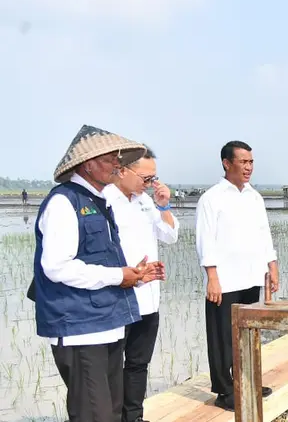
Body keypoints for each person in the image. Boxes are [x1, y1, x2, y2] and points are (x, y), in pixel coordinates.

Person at [31, 125, 164, 421]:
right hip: (80, 329)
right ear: (88, 164)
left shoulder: (98, 202)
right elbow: (56, 267)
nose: (117, 164)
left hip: (108, 324)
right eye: (110, 159)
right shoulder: (64, 202)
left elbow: (98, 260)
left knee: (112, 411)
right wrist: (119, 276)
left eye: (118, 159)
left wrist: (134, 275)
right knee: (95, 414)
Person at [196, 140, 280, 412]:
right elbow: (205, 240)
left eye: (251, 162)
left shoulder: (254, 196)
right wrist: (212, 277)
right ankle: (224, 390)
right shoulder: (212, 198)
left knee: (247, 333)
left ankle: (247, 381)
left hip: (252, 275)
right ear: (226, 163)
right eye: (243, 162)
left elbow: (263, 232)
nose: (248, 167)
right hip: (225, 279)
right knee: (222, 336)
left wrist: (272, 265)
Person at [104, 146, 180, 422]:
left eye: (154, 179)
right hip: (118, 295)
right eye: (146, 178)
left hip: (149, 296)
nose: (150, 184)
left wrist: (164, 205)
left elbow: (170, 235)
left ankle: (133, 416)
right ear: (122, 170)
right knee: (111, 365)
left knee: (138, 363)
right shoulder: (105, 200)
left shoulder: (145, 201)